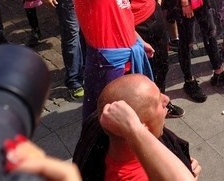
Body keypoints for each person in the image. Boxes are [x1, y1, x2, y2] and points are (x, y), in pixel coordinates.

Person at [72, 74, 200, 181]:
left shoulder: (99, 128)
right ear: (139, 128)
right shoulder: (133, 178)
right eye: (157, 101)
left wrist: (180, 163)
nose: (167, 100)